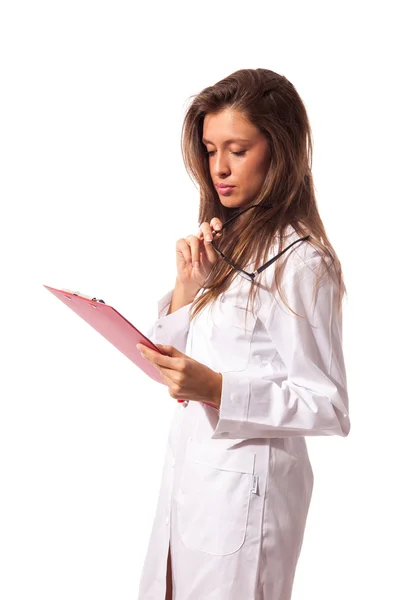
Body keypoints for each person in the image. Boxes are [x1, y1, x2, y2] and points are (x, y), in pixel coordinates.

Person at [136, 68, 350, 600]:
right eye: (210, 150)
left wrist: (218, 389)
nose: (219, 169)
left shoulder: (302, 263)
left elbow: (329, 406)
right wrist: (188, 286)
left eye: (237, 149)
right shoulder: (225, 242)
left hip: (250, 497)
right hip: (195, 480)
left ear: (278, 151)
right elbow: (180, 373)